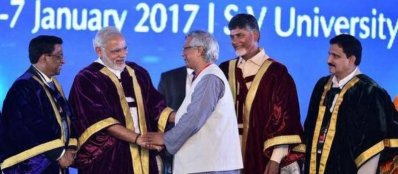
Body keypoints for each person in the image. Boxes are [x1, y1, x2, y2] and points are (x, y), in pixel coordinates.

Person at [68, 26, 174, 174]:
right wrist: (137, 139)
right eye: (116, 51)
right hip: (109, 158)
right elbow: (101, 121)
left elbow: (156, 106)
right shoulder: (87, 78)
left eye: (124, 49)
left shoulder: (137, 72)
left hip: (144, 153)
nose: (122, 55)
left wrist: (183, 116)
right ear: (99, 51)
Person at [143, 30, 243, 174]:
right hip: (207, 165)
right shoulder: (205, 77)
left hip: (211, 167)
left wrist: (165, 138)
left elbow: (193, 119)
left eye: (186, 49)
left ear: (199, 50)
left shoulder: (210, 79)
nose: (182, 54)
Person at [218, 13, 304, 174]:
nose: (234, 41)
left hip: (260, 152)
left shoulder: (277, 73)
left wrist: (275, 159)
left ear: (255, 34)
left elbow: (284, 119)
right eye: (232, 36)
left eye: (240, 35)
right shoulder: (224, 69)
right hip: (226, 155)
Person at [303, 34, 397, 174]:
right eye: (329, 54)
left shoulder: (371, 92)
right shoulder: (322, 85)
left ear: (351, 59)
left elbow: (372, 145)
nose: (329, 60)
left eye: (336, 56)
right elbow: (309, 128)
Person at [0, 35, 77, 173]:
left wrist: (71, 147)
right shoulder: (24, 87)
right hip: (34, 167)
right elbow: (32, 127)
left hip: (56, 163)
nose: (63, 61)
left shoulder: (53, 84)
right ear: (44, 58)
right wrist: (59, 155)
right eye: (58, 56)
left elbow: (69, 117)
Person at [157, 66, 193, 174]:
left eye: (188, 48)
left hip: (208, 146)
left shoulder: (216, 74)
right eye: (184, 48)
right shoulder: (168, 77)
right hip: (176, 147)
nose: (183, 53)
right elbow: (158, 108)